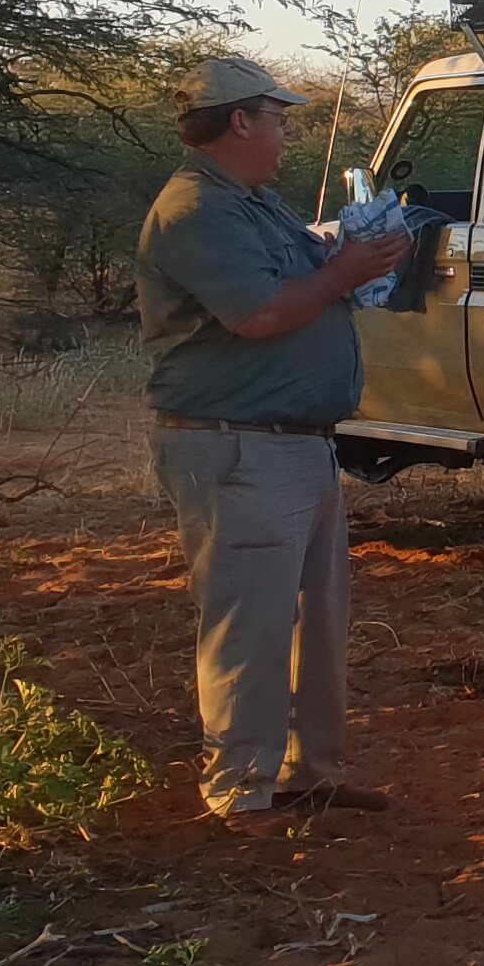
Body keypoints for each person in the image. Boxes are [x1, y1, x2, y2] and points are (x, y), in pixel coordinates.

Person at [136, 53, 411, 822]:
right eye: (280, 118)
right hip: (239, 445)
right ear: (239, 121)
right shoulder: (197, 209)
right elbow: (256, 316)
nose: (289, 132)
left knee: (314, 622)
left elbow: (298, 289)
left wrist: (358, 259)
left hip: (291, 444)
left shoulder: (252, 203)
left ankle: (306, 773)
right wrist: (345, 272)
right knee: (250, 621)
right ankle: (240, 792)